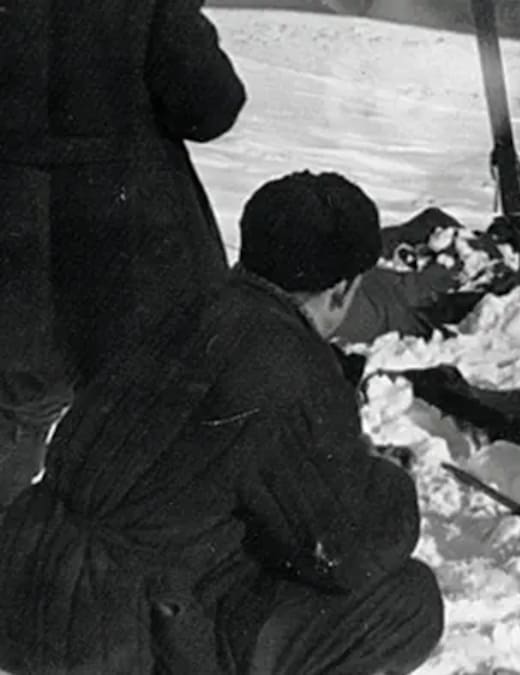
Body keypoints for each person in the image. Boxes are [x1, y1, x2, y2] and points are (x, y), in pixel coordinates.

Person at [0, 172, 445, 674]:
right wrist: (388, 481)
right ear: (341, 290)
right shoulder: (288, 359)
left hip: (26, 579)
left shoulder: (177, 308)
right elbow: (347, 550)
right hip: (112, 634)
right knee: (408, 602)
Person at [0, 0, 246, 507]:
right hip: (129, 252)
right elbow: (210, 107)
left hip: (14, 242)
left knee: (13, 417)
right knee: (139, 441)